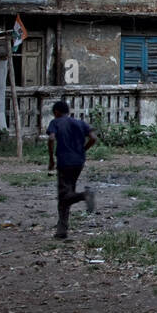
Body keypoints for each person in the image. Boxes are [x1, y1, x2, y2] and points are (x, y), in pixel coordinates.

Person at [46, 100, 97, 239]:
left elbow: (51, 138)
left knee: (64, 196)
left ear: (56, 112)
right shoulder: (80, 123)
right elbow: (93, 138)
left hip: (64, 161)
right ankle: (61, 230)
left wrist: (51, 158)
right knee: (68, 192)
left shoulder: (56, 122)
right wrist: (83, 149)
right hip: (78, 162)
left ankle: (84, 196)